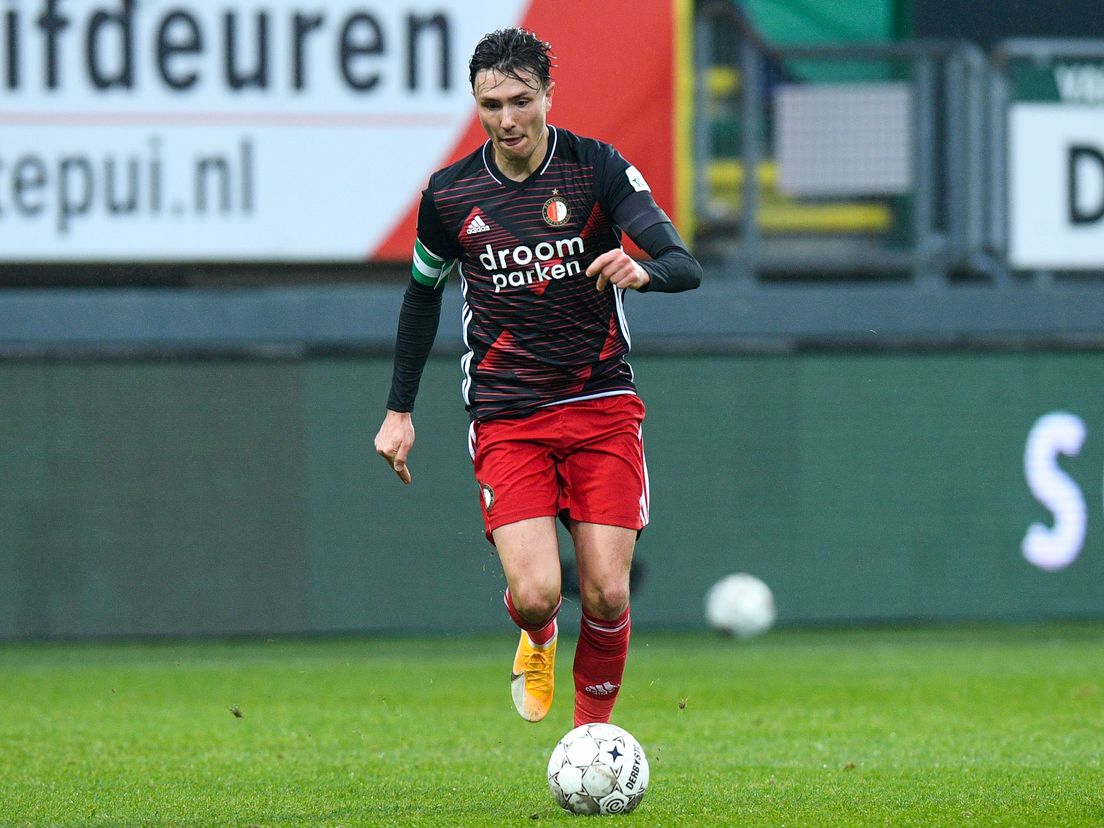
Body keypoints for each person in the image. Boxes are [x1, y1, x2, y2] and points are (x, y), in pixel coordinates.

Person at [374, 27, 701, 727]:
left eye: (521, 100)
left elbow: (683, 263)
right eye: (491, 104)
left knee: (608, 593)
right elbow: (421, 296)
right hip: (509, 414)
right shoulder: (450, 196)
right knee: (537, 595)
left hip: (600, 404)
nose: (508, 119)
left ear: (550, 95)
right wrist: (398, 410)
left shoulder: (597, 170)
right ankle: (538, 635)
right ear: (476, 103)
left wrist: (641, 271)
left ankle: (590, 742)